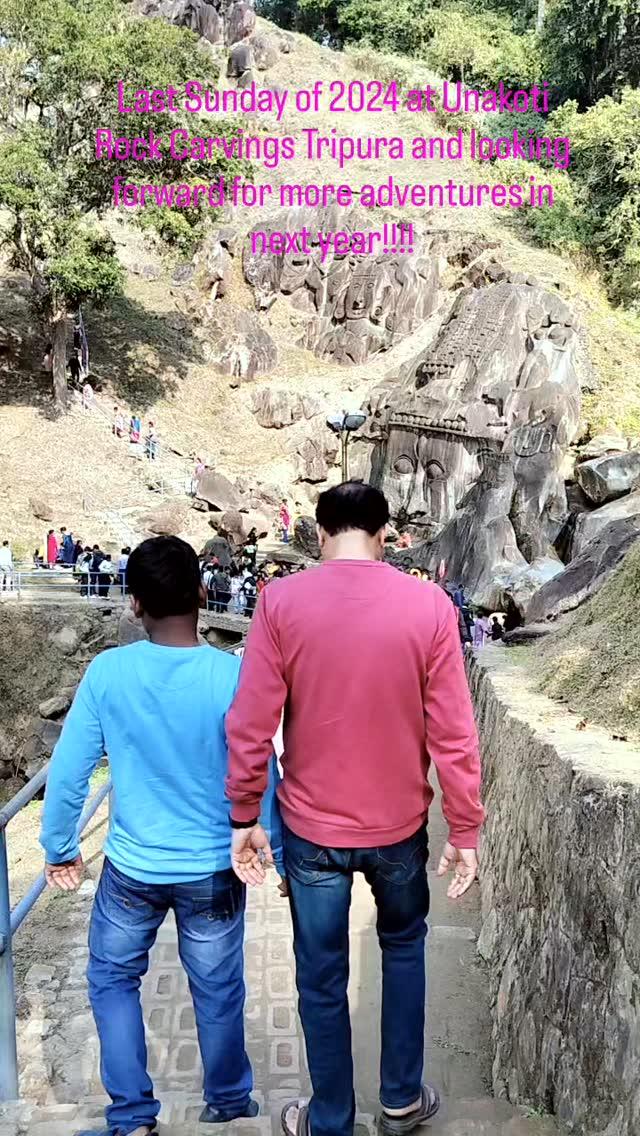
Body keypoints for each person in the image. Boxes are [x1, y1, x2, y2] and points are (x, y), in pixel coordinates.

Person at [226, 481, 484, 1136]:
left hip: (311, 830)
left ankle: (330, 1118)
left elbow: (251, 725)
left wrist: (245, 817)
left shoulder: (280, 602)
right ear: (385, 535)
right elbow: (453, 730)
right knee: (403, 949)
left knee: (319, 972)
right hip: (400, 828)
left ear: (319, 533)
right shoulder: (428, 606)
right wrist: (464, 826)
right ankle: (400, 1099)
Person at [40, 535, 284, 1136]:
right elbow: (261, 768)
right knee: (219, 989)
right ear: (202, 594)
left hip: (132, 870)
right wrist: (270, 841)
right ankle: (229, 1105)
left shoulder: (107, 673)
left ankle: (132, 1117)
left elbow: (70, 772)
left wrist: (60, 846)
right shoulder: (233, 675)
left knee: (113, 980)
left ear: (134, 604)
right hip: (213, 868)